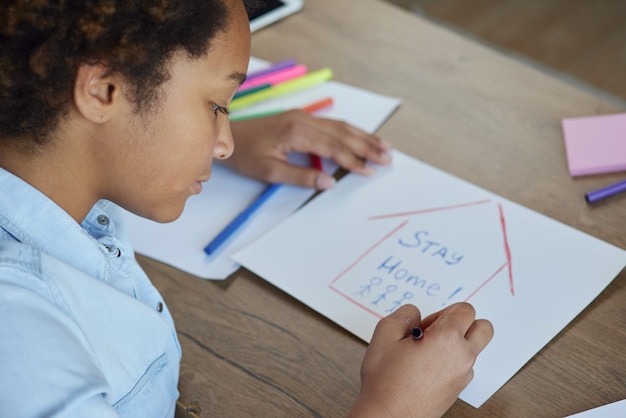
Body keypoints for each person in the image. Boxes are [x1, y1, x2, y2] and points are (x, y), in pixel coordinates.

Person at [0, 0, 493, 417]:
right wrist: (393, 407)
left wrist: (195, 137)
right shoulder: (21, 334)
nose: (225, 144)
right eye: (217, 104)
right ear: (101, 90)